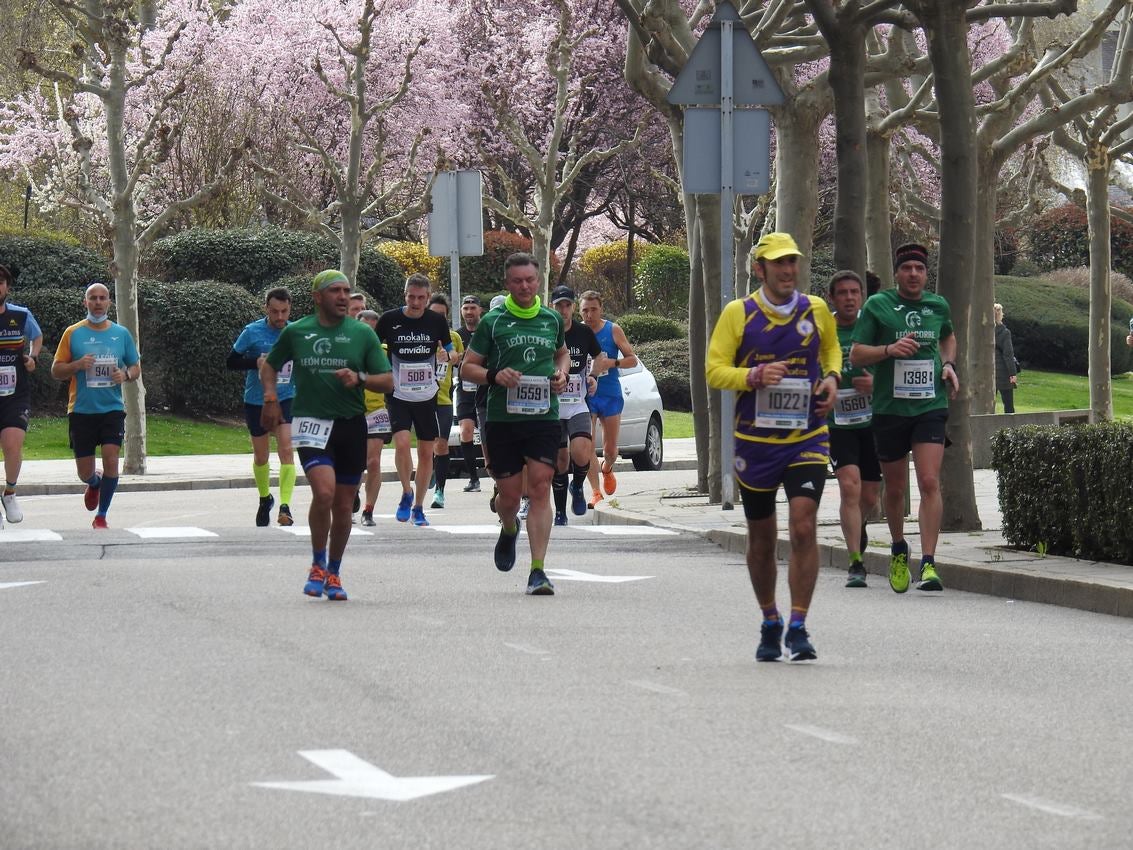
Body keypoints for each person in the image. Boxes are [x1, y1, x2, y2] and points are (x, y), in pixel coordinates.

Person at [705, 232, 840, 662]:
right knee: (762, 537)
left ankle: (799, 625)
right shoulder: (738, 313)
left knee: (804, 524)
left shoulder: (815, 309)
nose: (788, 270)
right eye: (779, 263)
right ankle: (770, 619)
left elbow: (833, 350)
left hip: (807, 437)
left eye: (792, 262)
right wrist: (753, 377)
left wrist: (833, 378)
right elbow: (714, 370)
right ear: (759, 269)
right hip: (755, 443)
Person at [260, 270, 392, 601]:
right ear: (318, 296)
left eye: (347, 290)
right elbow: (269, 365)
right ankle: (317, 564)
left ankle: (334, 571)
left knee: (344, 504)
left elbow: (387, 381)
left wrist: (360, 378)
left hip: (350, 424)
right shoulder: (297, 331)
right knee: (324, 492)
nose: (343, 296)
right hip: (311, 423)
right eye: (335, 290)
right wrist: (271, 397)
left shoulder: (362, 334)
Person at [851, 242, 959, 595]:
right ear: (897, 273)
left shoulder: (937, 305)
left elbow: (948, 337)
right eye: (907, 268)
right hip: (889, 409)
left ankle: (929, 563)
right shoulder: (878, 305)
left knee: (929, 481)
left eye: (920, 269)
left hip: (930, 406)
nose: (913, 274)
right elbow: (856, 353)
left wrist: (948, 365)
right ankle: (899, 548)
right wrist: (888, 350)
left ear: (926, 275)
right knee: (895, 489)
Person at [461, 254, 570, 595]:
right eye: (518, 280)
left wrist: (561, 374)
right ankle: (509, 528)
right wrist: (495, 375)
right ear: (508, 283)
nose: (525, 286)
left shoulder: (552, 319)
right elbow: (468, 368)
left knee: (540, 486)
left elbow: (561, 354)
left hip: (543, 417)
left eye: (530, 280)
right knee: (508, 496)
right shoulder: (492, 321)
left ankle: (538, 570)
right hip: (503, 419)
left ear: (538, 282)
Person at [51, 282, 141, 529]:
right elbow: (56, 370)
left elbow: (135, 366)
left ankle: (101, 516)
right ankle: (93, 482)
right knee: (84, 471)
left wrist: (126, 375)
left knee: (111, 458)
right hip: (81, 410)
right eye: (93, 298)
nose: (98, 302)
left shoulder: (121, 334)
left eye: (103, 298)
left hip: (112, 408)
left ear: (110, 303)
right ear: (85, 302)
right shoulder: (73, 333)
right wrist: (76, 366)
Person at [376, 274, 452, 527]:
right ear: (404, 295)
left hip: (426, 395)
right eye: (411, 297)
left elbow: (452, 352)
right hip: (398, 393)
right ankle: (406, 491)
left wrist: (447, 356)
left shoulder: (436, 321)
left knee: (426, 452)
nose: (416, 302)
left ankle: (419, 506)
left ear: (428, 298)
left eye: (421, 298)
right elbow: (372, 348)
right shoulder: (389, 319)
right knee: (401, 443)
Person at [826, 271, 880, 588]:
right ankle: (855, 562)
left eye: (854, 292)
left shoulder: (872, 328)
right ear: (833, 298)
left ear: (861, 296)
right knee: (850, 486)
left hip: (873, 422)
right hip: (838, 424)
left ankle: (858, 528)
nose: (849, 297)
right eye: (843, 292)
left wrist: (876, 384)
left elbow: (892, 368)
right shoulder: (824, 331)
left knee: (870, 497)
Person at [227, 287, 297, 527]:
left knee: (286, 450)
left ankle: (285, 506)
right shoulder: (252, 331)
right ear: (266, 308)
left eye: (284, 312)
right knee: (261, 456)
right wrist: (254, 362)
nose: (280, 317)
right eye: (275, 312)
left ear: (290, 309)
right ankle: (265, 498)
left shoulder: (295, 332)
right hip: (256, 401)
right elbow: (231, 361)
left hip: (286, 398)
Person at [549, 285, 601, 525]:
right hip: (553, 406)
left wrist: (593, 376)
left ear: (572, 308)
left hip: (577, 404)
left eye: (567, 305)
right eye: (559, 305)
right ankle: (560, 512)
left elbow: (598, 357)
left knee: (581, 452)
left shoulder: (583, 333)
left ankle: (578, 485)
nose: (564, 310)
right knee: (559, 460)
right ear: (552, 307)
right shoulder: (547, 332)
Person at [579, 290, 635, 507]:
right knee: (587, 446)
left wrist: (610, 363)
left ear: (600, 308)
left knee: (611, 450)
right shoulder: (577, 332)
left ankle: (607, 468)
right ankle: (595, 492)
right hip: (586, 396)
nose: (589, 314)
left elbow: (632, 360)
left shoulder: (613, 330)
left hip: (610, 394)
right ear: (579, 310)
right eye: (585, 310)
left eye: (593, 309)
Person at [0, 264, 43, 529]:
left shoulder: (20, 315)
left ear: (7, 286)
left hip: (15, 393)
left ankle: (10, 493)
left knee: (13, 444)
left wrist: (32, 358)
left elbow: (36, 337)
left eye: (1, 281)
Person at [427, 292, 464, 509]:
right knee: (428, 445)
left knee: (441, 444)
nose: (437, 319)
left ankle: (440, 490)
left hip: (443, 399)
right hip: (419, 399)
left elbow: (458, 357)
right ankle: (429, 470)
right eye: (434, 314)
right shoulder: (418, 337)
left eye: (442, 316)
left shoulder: (453, 338)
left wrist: (449, 356)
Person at [355, 309, 390, 526]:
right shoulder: (347, 350)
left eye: (373, 331)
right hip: (352, 411)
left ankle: (368, 510)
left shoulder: (384, 352)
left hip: (377, 412)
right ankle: (351, 497)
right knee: (355, 463)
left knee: (374, 462)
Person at [454, 295, 484, 492]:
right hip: (465, 390)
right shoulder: (457, 335)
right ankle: (473, 478)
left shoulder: (486, 331)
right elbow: (451, 360)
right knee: (465, 431)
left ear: (480, 310)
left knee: (489, 435)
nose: (469, 312)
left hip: (486, 390)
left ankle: (497, 475)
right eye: (466, 308)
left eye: (473, 307)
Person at [994, 303, 1017, 414]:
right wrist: (1012, 374)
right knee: (1008, 406)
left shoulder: (982, 333)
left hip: (987, 372)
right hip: (1003, 372)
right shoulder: (1005, 333)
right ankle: (1010, 429)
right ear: (1000, 315)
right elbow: (1008, 355)